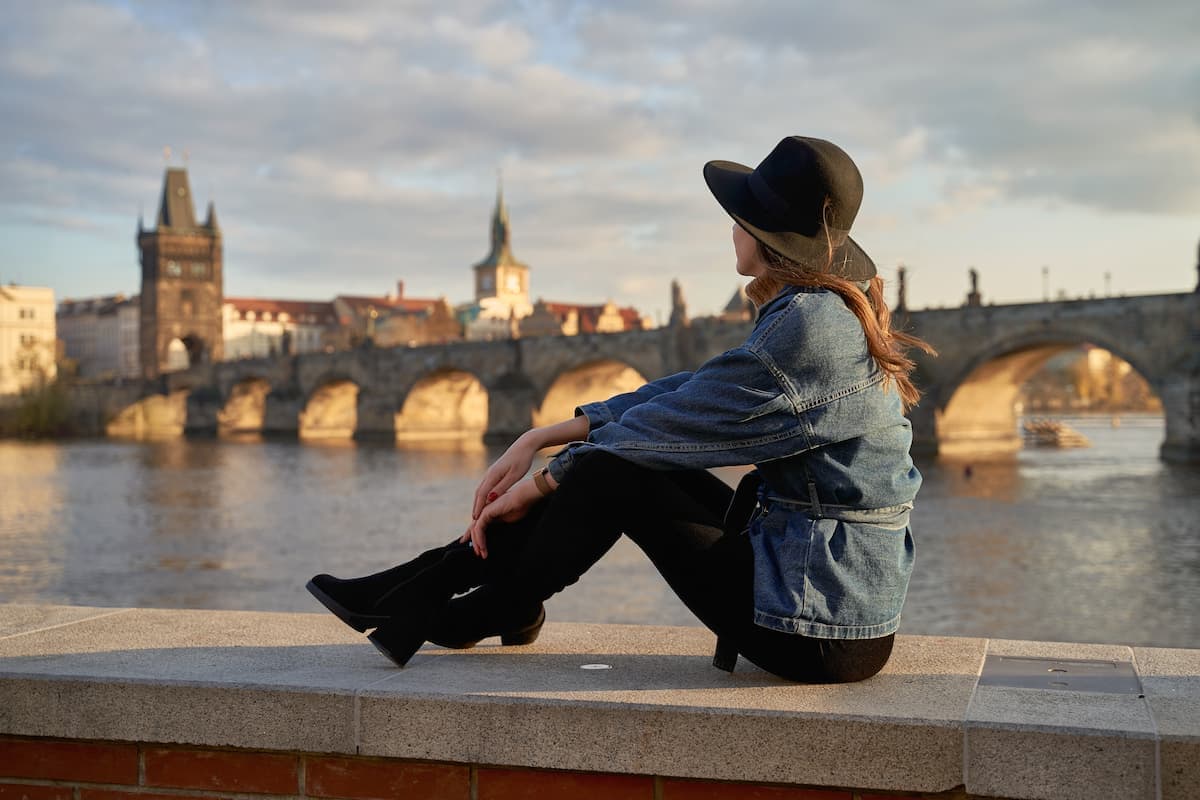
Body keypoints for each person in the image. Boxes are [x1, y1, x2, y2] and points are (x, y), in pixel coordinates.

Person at [306, 135, 936, 683]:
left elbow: (666, 425)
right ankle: (455, 590)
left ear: (769, 236)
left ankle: (475, 600)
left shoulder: (809, 328)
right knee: (618, 460)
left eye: (739, 216)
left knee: (608, 470)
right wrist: (544, 435)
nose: (732, 227)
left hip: (817, 625)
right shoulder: (823, 310)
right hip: (829, 598)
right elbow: (691, 393)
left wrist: (548, 477)